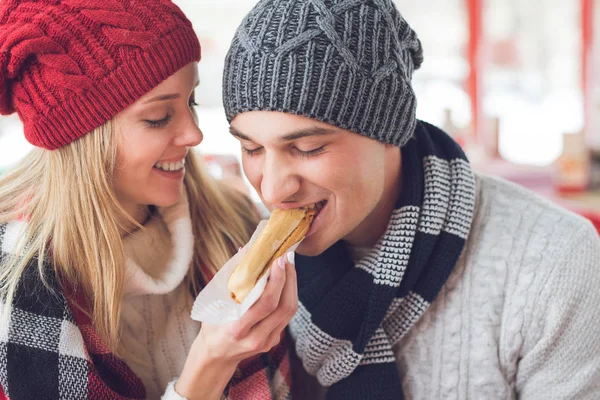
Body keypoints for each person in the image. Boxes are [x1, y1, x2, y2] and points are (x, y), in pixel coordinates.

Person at [222, 0, 600, 399]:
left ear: (391, 128)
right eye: (252, 149)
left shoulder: (554, 261)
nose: (273, 190)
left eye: (309, 147)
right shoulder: (239, 255)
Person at [0, 1, 297, 399]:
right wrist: (209, 365)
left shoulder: (231, 222)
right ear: (84, 139)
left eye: (190, 101)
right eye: (158, 117)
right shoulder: (19, 282)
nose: (194, 135)